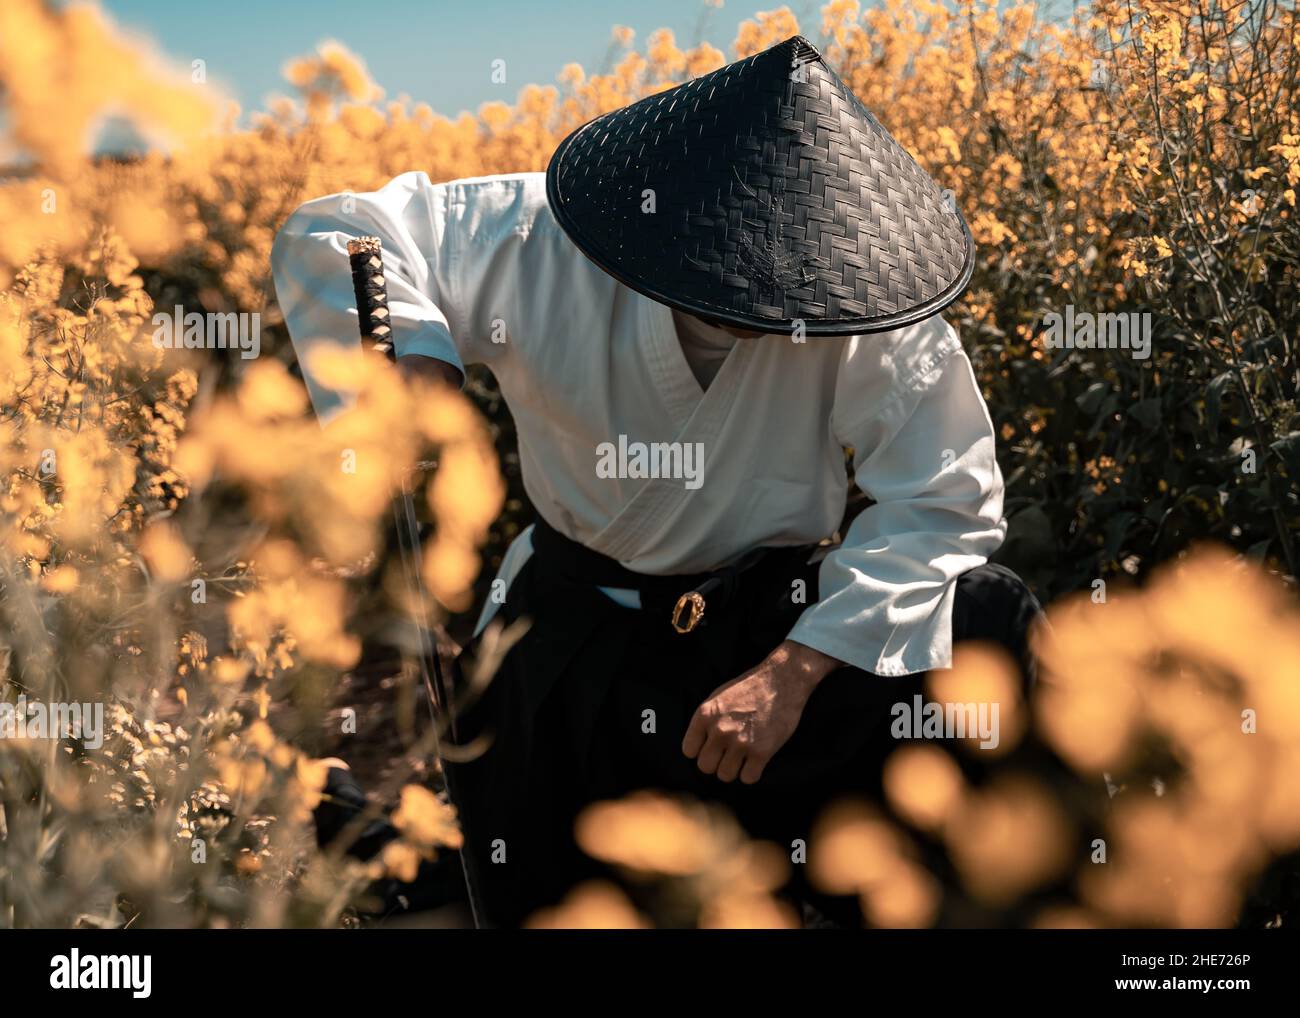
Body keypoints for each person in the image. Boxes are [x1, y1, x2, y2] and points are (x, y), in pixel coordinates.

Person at [272, 35, 1042, 927]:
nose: (762, 309)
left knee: (985, 612)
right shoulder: (550, 240)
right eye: (730, 282)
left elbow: (947, 502)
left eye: (785, 287)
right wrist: (410, 367)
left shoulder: (857, 290)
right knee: (528, 888)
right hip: (579, 627)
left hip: (769, 627)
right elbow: (336, 229)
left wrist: (794, 671)